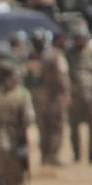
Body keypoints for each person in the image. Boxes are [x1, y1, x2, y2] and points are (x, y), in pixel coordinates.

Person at [66, 20, 92, 164]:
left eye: (81, 38)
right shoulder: (69, 54)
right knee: (73, 125)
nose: (79, 41)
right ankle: (76, 153)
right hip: (74, 94)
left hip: (91, 94)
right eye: (77, 38)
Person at [35, 30, 70, 166]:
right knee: (56, 126)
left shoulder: (43, 55)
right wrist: (66, 94)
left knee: (44, 127)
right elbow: (62, 78)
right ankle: (52, 156)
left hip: (43, 96)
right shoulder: (57, 56)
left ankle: (45, 155)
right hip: (55, 97)